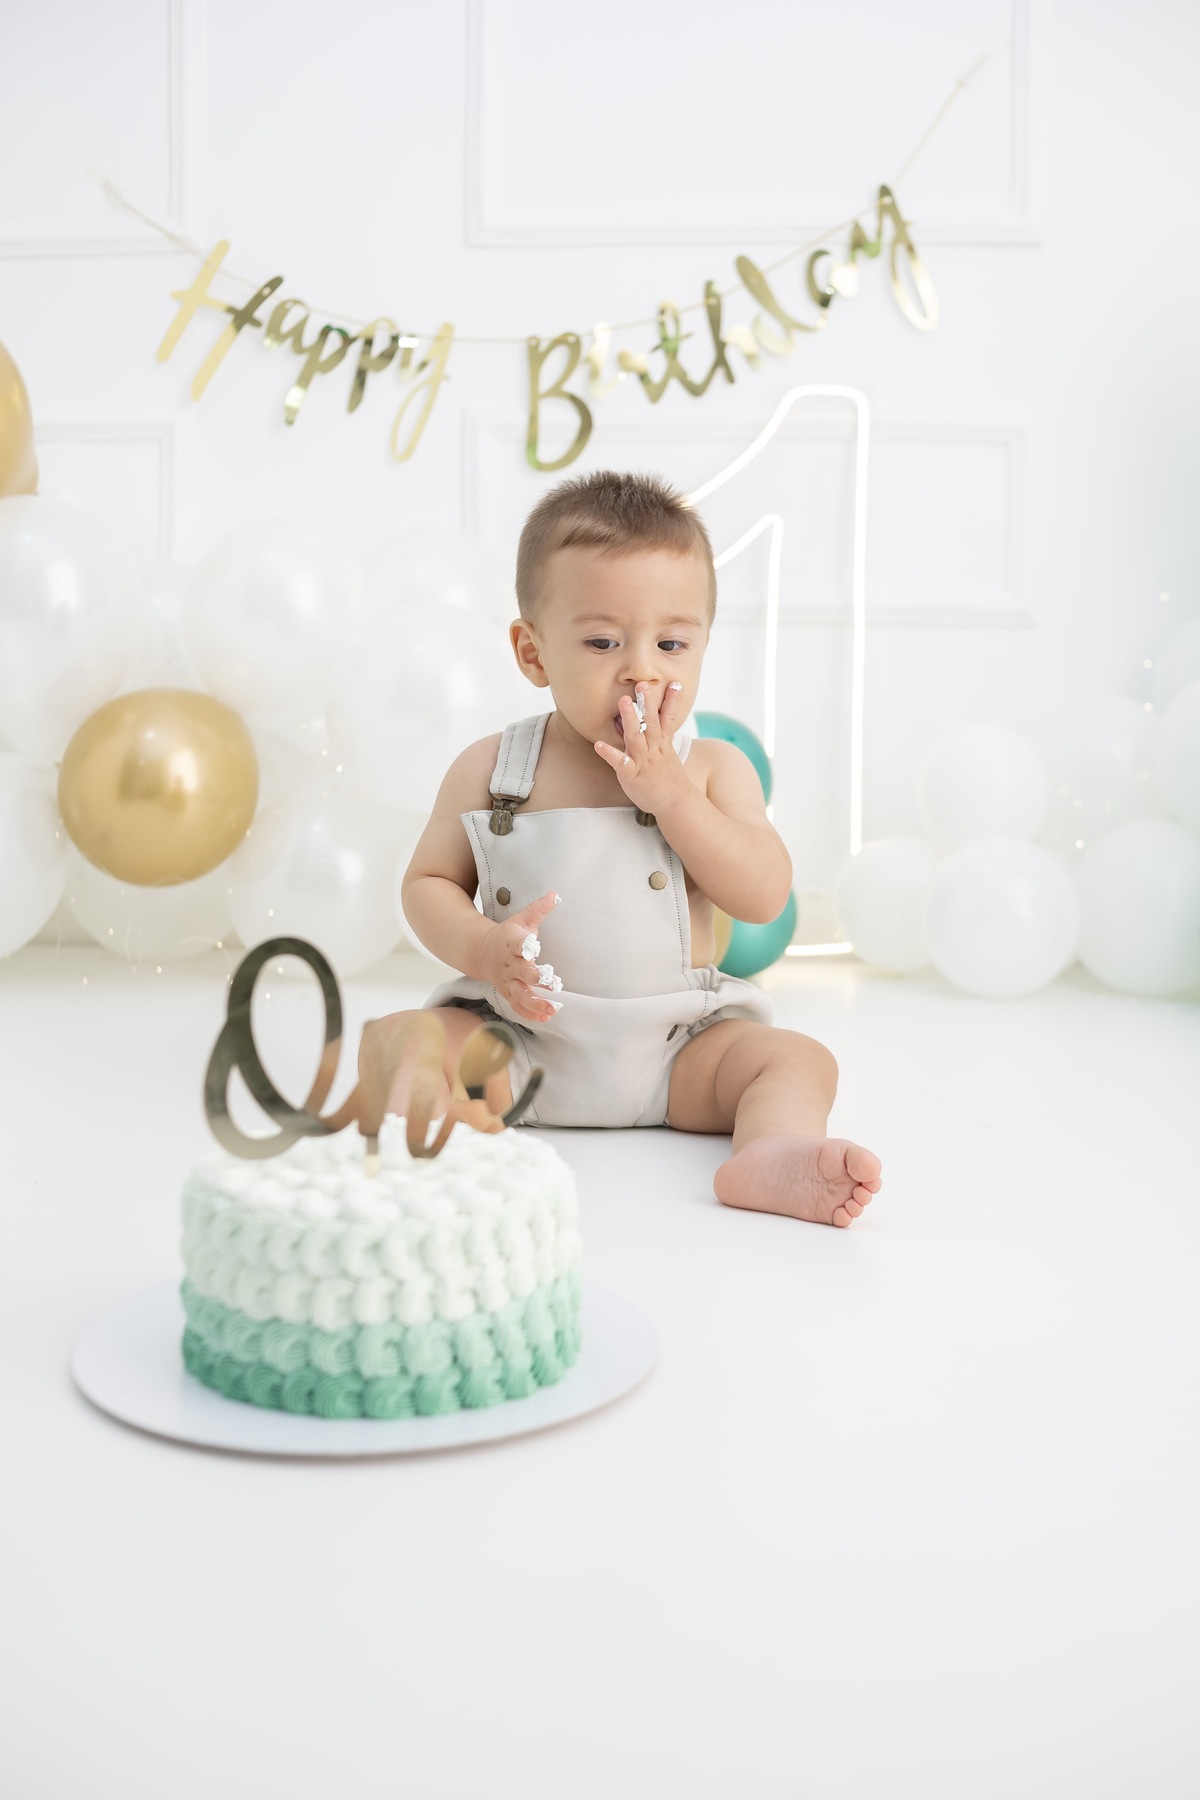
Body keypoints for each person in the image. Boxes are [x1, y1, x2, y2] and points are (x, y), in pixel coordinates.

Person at [382, 470, 882, 1228]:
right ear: (533, 652)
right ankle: (441, 1144)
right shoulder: (493, 771)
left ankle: (771, 1152)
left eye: (672, 642)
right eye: (603, 641)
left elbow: (763, 895)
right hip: (517, 1042)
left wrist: (675, 798)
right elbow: (426, 885)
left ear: (704, 646)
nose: (642, 669)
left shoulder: (713, 770)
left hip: (679, 1050)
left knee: (797, 1060)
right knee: (404, 1043)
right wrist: (483, 949)